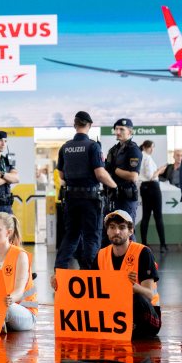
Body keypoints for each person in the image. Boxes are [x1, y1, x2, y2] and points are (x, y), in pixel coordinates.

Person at [55, 110, 118, 270]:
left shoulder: (65, 147)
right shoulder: (93, 146)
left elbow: (61, 174)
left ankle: (59, 270)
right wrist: (114, 185)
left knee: (71, 235)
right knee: (91, 236)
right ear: (89, 125)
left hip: (71, 198)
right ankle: (91, 273)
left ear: (75, 125)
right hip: (90, 199)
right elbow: (100, 173)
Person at [97, 210, 162, 338]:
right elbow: (90, 287)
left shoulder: (143, 252)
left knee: (137, 298)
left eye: (122, 228)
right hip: (117, 314)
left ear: (131, 231)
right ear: (107, 231)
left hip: (147, 314)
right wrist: (61, 282)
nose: (116, 232)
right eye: (112, 227)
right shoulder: (101, 255)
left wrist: (130, 286)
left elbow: (149, 295)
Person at [0, 212, 37, 331]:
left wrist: (8, 300)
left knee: (5, 308)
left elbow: (19, 292)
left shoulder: (20, 256)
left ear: (8, 232)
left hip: (23, 311)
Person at [103, 118, 142, 242]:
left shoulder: (133, 149)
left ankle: (133, 259)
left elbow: (133, 176)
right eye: (116, 129)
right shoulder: (114, 150)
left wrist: (114, 169)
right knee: (112, 232)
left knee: (127, 231)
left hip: (126, 197)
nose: (118, 131)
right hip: (113, 196)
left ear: (130, 131)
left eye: (122, 129)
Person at [139, 139, 168, 253]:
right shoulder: (146, 158)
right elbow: (151, 175)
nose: (153, 150)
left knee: (145, 216)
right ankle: (163, 245)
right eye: (152, 147)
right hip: (152, 187)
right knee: (158, 216)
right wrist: (160, 170)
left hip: (144, 187)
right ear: (146, 147)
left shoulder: (141, 156)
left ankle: (144, 243)